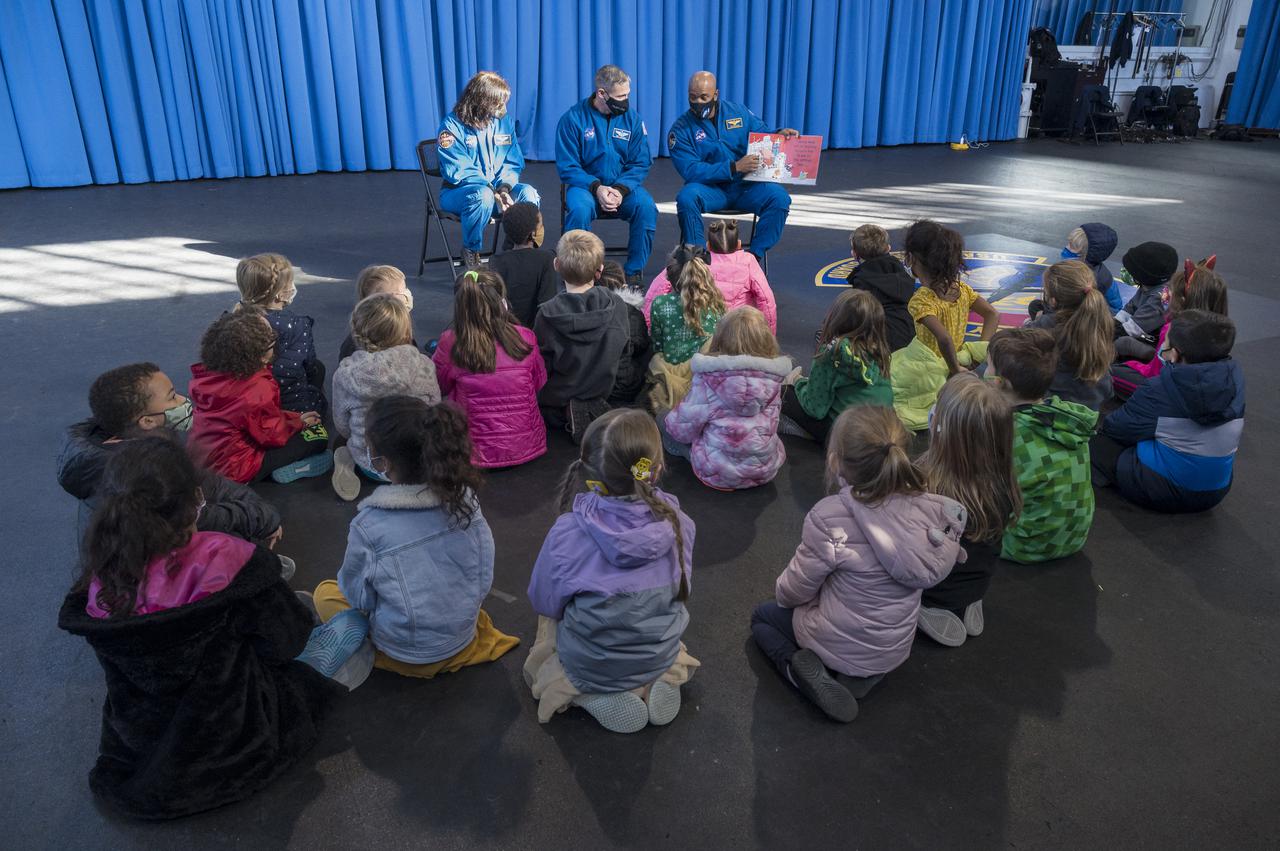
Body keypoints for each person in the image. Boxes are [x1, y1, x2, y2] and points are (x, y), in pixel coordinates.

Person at [57, 438, 337, 820]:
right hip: (237, 732)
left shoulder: (101, 578)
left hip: (147, 736)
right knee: (315, 630)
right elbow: (287, 641)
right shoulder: (231, 556)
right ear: (195, 501)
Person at [750, 406, 967, 722]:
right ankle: (861, 678)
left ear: (836, 460)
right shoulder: (930, 511)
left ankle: (801, 674)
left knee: (762, 618)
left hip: (837, 637)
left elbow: (794, 589)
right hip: (891, 648)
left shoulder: (830, 517)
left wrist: (785, 597)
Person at [312, 397, 519, 677]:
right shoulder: (465, 500)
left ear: (383, 462)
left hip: (407, 653)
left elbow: (359, 598)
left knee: (326, 592)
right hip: (462, 637)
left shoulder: (369, 525)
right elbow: (484, 575)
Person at [524, 409, 699, 733]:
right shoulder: (679, 523)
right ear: (656, 470)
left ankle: (587, 693)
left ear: (589, 471)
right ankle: (657, 678)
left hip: (592, 664)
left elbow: (544, 601)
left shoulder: (567, 533)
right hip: (658, 650)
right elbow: (681, 587)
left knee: (549, 622)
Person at [57, 363, 281, 547]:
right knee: (245, 546)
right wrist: (263, 518)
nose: (183, 400)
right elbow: (197, 519)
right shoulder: (140, 474)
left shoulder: (139, 443)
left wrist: (252, 505)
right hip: (145, 582)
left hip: (159, 546)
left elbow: (202, 480)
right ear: (147, 421)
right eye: (172, 397)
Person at [1092, 310, 1244, 513]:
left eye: (1166, 342)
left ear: (1175, 354)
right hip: (1217, 490)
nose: (1162, 346)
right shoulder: (1236, 381)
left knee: (1096, 441)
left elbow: (1116, 428)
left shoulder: (1161, 388)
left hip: (1167, 490)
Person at [915, 373, 1021, 647]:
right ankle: (967, 601)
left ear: (946, 431)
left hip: (933, 590)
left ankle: (930, 608)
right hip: (978, 583)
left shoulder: (928, 486)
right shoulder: (1004, 483)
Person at [986, 329, 1098, 564]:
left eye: (988, 367)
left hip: (1022, 545)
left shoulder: (1003, 432)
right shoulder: (1064, 417)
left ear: (999, 382)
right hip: (1074, 538)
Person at [187, 308, 331, 484]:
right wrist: (300, 422)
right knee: (319, 437)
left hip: (201, 460)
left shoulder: (207, 376)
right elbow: (272, 435)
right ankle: (290, 468)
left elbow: (256, 419)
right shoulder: (257, 389)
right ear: (261, 356)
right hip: (234, 471)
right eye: (272, 342)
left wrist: (294, 418)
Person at [668, 71, 797, 260]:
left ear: (716, 95)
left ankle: (754, 257)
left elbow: (762, 134)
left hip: (746, 186)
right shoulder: (680, 130)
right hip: (711, 189)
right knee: (687, 197)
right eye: (692, 97)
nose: (698, 102)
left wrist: (779, 134)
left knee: (779, 198)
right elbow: (691, 171)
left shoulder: (739, 113)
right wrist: (733, 167)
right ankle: (699, 258)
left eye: (704, 97)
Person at [662, 306, 791, 490]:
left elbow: (681, 431)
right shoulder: (774, 378)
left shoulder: (709, 379)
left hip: (718, 474)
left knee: (664, 420)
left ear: (720, 339)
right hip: (764, 470)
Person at [433, 270, 548, 468]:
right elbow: (539, 381)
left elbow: (440, 386)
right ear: (502, 301)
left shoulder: (450, 342)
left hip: (473, 452)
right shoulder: (525, 337)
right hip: (525, 445)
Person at [556, 64, 657, 289]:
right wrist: (597, 188)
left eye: (627, 95)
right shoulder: (573, 119)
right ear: (601, 93)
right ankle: (579, 273)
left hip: (623, 187)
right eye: (620, 96)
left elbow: (641, 163)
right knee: (580, 210)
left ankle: (633, 272)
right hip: (586, 188)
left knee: (647, 207)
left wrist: (620, 190)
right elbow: (568, 167)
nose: (626, 101)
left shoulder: (632, 119)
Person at [331, 294, 441, 500]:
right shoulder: (424, 365)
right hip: (417, 464)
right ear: (406, 331)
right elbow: (434, 406)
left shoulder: (345, 374)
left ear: (356, 333)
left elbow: (342, 426)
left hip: (371, 464)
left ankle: (348, 462)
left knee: (339, 440)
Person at [436, 71, 540, 269]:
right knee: (482, 195)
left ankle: (516, 246)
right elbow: (457, 169)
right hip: (461, 194)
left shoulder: (503, 122)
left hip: (499, 192)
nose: (502, 108)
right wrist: (492, 192)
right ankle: (471, 251)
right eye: (498, 103)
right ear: (481, 100)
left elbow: (512, 160)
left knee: (529, 193)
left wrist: (504, 189)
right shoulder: (451, 126)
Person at [534, 230, 630, 438]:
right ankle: (590, 406)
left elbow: (542, 366)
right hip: (602, 389)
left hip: (558, 395)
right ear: (600, 271)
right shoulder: (618, 306)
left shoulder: (546, 314)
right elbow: (624, 352)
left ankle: (569, 409)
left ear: (556, 265)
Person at [779, 289, 894, 443]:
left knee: (782, 392)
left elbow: (815, 409)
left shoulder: (831, 353)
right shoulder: (881, 352)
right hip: (883, 432)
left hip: (846, 438)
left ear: (835, 318)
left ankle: (804, 432)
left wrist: (798, 382)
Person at [1111, 256, 1225, 400]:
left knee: (1108, 374)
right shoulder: (1221, 329)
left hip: (1166, 392)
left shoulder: (1174, 329)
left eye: (1170, 292)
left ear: (1182, 300)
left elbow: (1155, 374)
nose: (1165, 294)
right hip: (1194, 388)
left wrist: (1131, 365)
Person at [641, 218, 776, 332]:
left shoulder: (696, 260)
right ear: (739, 244)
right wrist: (767, 333)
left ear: (708, 245)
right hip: (738, 330)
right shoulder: (748, 261)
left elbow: (659, 287)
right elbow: (766, 299)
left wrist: (647, 326)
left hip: (702, 329)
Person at [903, 220, 1000, 375]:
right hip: (959, 360)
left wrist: (954, 369)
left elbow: (944, 338)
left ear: (912, 259)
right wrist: (978, 353)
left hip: (929, 370)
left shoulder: (921, 301)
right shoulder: (962, 290)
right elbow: (992, 314)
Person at [235, 253, 326, 415]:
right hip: (290, 406)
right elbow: (309, 365)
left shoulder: (231, 320)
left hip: (243, 402)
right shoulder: (297, 326)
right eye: (290, 283)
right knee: (318, 369)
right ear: (279, 294)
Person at [1025, 260, 1114, 410]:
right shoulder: (1100, 320)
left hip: (1055, 406)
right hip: (1094, 402)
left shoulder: (1046, 325)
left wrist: (1031, 325)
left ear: (1053, 301)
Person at [646, 254, 726, 412]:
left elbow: (657, 344)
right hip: (703, 372)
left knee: (654, 360)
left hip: (669, 373)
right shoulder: (716, 303)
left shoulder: (660, 304)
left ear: (669, 278)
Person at [846, 224, 916, 351]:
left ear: (854, 254)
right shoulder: (900, 271)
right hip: (911, 335)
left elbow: (861, 315)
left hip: (881, 341)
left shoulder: (861, 280)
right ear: (888, 248)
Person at [486, 202, 557, 327]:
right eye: (540, 225)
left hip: (504, 332)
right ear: (533, 233)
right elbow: (547, 307)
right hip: (534, 336)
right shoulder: (546, 260)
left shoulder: (495, 261)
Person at [1036, 223, 1122, 317]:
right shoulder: (1092, 270)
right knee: (1036, 306)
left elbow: (1066, 304)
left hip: (1089, 318)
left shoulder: (1084, 277)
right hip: (1082, 313)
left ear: (1085, 254)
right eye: (1069, 242)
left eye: (1072, 246)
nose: (1067, 247)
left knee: (1042, 313)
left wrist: (1043, 317)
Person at [596, 261, 652, 405]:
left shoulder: (590, 309)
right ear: (623, 284)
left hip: (595, 383)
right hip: (626, 385)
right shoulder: (632, 312)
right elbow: (641, 345)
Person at [1114, 240, 1178, 360]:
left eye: (1131, 272)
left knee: (1120, 343)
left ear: (1144, 276)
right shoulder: (1148, 285)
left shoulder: (1160, 298)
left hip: (1156, 346)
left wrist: (1101, 337)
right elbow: (1129, 308)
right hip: (1143, 331)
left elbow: (1132, 330)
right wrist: (1111, 324)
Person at [338, 265, 415, 362]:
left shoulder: (354, 341)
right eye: (400, 293)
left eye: (406, 289)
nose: (407, 294)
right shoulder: (404, 337)